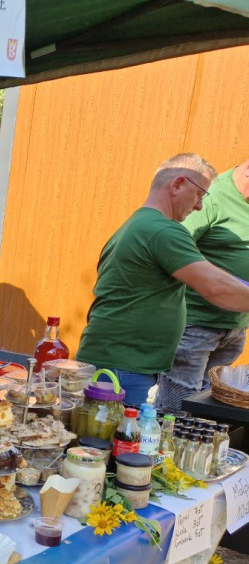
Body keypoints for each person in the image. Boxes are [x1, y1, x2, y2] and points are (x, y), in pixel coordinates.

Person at [76, 153, 249, 407]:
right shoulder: (164, 231)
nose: (200, 206)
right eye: (199, 194)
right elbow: (217, 288)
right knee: (119, 444)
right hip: (124, 367)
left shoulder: (139, 222)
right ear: (177, 184)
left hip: (122, 362)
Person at [157, 158, 249, 411]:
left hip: (235, 328)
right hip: (196, 324)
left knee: (205, 410)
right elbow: (175, 249)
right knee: (177, 410)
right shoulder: (212, 196)